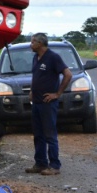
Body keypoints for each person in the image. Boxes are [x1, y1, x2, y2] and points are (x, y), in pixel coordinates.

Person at [25, 33, 72, 176]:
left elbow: (68, 74)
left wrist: (57, 94)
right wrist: (33, 90)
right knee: (38, 134)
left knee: (50, 134)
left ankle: (54, 165)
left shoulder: (53, 57)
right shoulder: (35, 57)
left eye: (33, 42)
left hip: (48, 103)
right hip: (37, 102)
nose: (30, 44)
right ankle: (40, 163)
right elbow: (37, 76)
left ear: (40, 43)